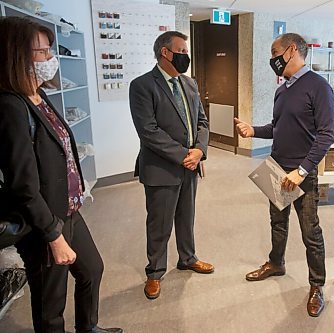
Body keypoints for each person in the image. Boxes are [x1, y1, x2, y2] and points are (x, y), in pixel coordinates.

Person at [0, 17, 122, 333]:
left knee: (91, 269)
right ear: (15, 55)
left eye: (48, 49)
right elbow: (23, 186)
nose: (48, 58)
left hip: (68, 209)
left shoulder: (39, 95)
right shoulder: (11, 106)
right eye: (39, 52)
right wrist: (53, 236)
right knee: (50, 306)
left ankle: (88, 328)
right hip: (43, 222)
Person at [234, 33, 334, 317]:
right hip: (277, 168)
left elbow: (327, 135)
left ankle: (317, 286)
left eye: (274, 52)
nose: (273, 59)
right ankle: (276, 263)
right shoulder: (283, 89)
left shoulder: (318, 87)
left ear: (292, 51)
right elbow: (278, 128)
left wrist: (303, 171)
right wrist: (254, 130)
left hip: (302, 173)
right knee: (277, 222)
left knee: (310, 233)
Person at [129, 31, 213, 300]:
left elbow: (202, 121)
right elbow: (148, 131)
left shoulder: (189, 83)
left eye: (186, 51)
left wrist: (199, 150)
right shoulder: (142, 85)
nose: (185, 56)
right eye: (181, 50)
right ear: (165, 53)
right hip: (162, 168)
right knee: (159, 224)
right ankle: (154, 273)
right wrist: (182, 155)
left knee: (186, 218)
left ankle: (187, 258)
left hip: (191, 164)